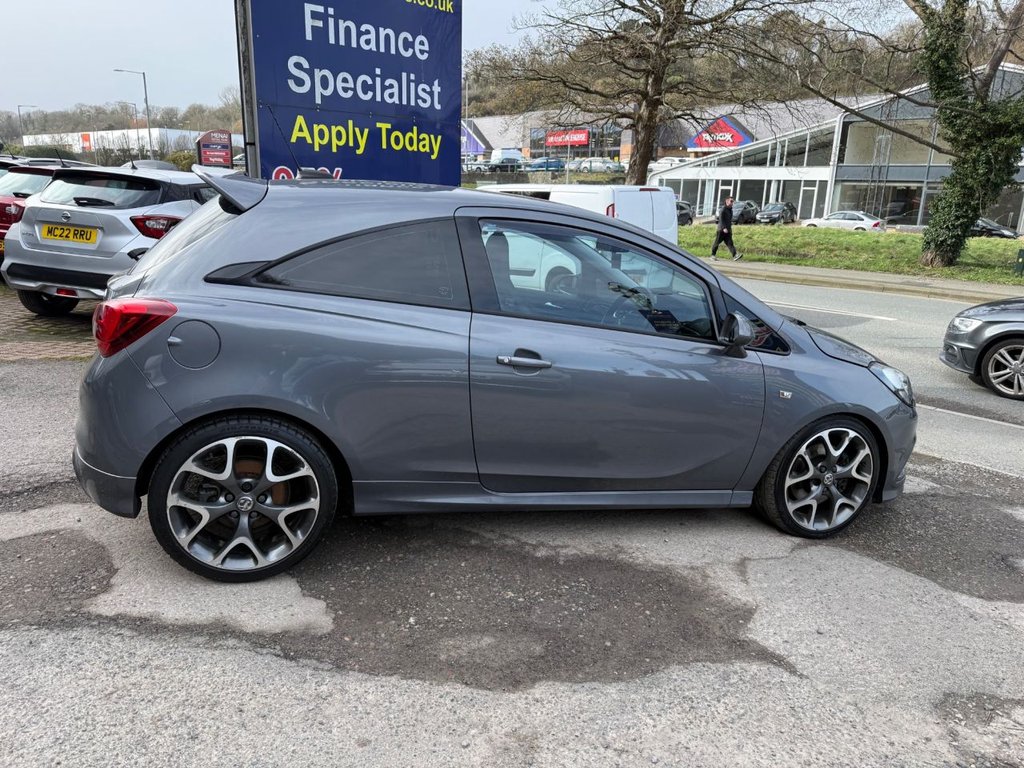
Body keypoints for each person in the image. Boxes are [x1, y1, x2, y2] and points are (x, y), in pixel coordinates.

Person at [711, 197, 743, 261]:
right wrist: (724, 228)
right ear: (727, 201)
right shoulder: (723, 209)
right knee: (717, 242)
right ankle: (712, 255)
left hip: (728, 230)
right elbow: (721, 219)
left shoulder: (730, 210)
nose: (732, 203)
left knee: (730, 243)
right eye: (731, 201)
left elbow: (729, 220)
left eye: (732, 201)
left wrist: (729, 229)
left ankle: (735, 255)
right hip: (721, 230)